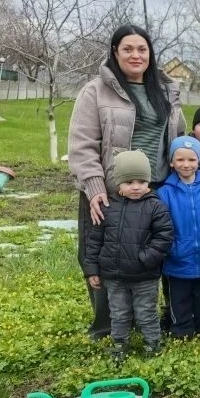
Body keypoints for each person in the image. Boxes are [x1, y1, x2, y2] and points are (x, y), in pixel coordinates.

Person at [68, 23, 184, 340]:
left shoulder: (165, 90)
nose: (136, 54)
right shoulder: (96, 91)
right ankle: (109, 326)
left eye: (142, 49)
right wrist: (93, 190)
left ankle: (153, 317)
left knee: (153, 252)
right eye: (128, 49)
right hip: (109, 192)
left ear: (150, 53)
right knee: (106, 256)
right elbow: (82, 146)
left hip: (155, 188)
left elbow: (178, 138)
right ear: (115, 53)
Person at [83, 150, 174, 362]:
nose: (136, 186)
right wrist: (93, 269)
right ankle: (119, 344)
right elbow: (95, 240)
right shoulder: (107, 207)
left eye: (141, 181)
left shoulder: (155, 206)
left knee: (146, 313)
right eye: (129, 181)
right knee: (119, 312)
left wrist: (146, 258)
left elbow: (164, 237)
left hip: (144, 276)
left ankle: (152, 344)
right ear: (118, 183)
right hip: (114, 277)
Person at [157, 137, 200, 338]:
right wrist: (172, 249)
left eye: (191, 159)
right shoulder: (164, 193)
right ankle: (181, 334)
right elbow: (161, 228)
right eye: (180, 160)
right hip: (177, 262)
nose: (186, 164)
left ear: (199, 161)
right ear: (171, 162)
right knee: (179, 302)